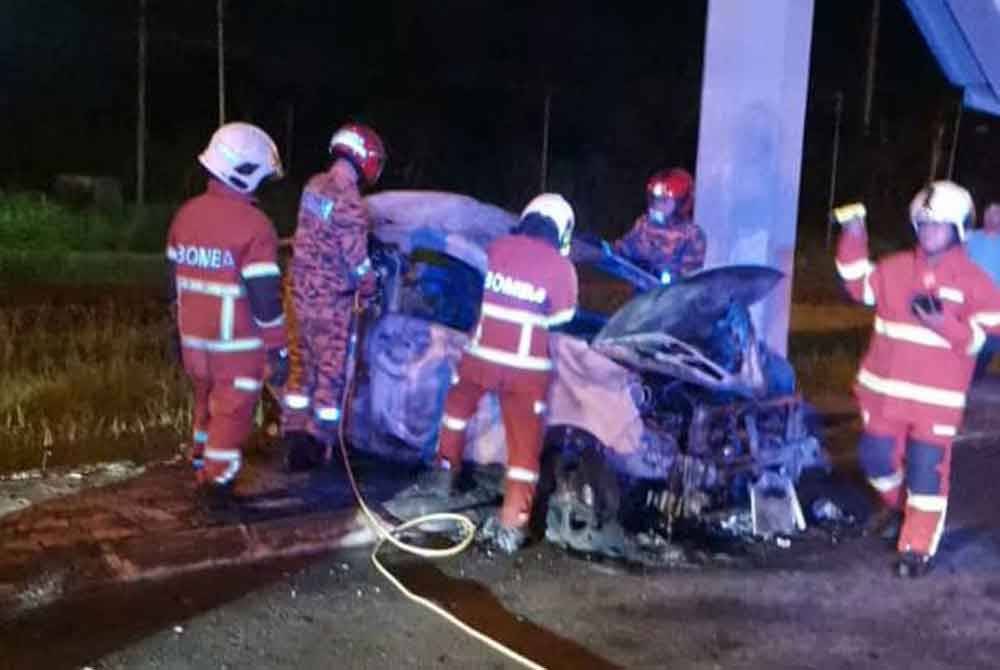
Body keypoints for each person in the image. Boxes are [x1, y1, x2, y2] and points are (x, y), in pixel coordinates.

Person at [396, 194, 579, 554]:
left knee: (457, 409)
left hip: (481, 356)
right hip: (526, 369)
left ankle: (443, 473)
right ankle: (512, 524)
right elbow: (562, 318)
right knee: (524, 449)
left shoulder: (499, 247)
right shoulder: (560, 266)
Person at [835, 181, 1000, 577]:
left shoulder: (975, 281)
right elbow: (859, 283)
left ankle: (917, 548)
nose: (929, 233)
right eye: (923, 225)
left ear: (959, 229)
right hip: (884, 396)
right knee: (874, 459)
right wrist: (853, 234)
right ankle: (898, 507)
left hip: (934, 402)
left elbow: (987, 333)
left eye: (938, 226)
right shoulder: (894, 269)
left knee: (927, 471)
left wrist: (946, 325)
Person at [166, 122, 289, 492]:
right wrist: (278, 349)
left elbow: (172, 282)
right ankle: (215, 486)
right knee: (231, 416)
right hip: (235, 349)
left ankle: (200, 458)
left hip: (194, 343)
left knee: (204, 404)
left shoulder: (185, 215)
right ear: (246, 174)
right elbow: (266, 299)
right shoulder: (255, 226)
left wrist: (177, 330)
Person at [280, 123, 386, 469]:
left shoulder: (313, 186)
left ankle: (292, 434)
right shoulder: (349, 201)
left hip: (299, 293)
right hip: (330, 302)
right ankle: (316, 444)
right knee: (330, 374)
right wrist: (371, 284)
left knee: (301, 366)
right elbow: (356, 260)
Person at [614, 167, 706, 284]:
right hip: (642, 296)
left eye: (664, 201)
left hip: (672, 298)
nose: (658, 205)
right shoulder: (644, 225)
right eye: (656, 200)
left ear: (681, 203)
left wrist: (657, 273)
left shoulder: (692, 235)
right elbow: (623, 250)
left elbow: (688, 279)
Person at [964, 202, 1000, 379]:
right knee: (964, 343)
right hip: (968, 303)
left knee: (987, 347)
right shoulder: (970, 238)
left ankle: (975, 377)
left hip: (994, 308)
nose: (991, 216)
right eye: (988, 212)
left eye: (996, 213)